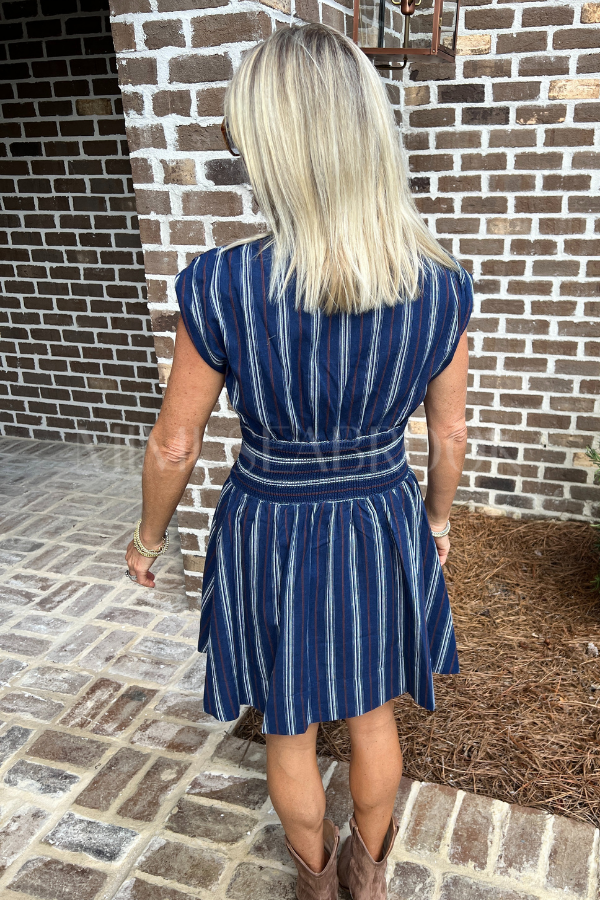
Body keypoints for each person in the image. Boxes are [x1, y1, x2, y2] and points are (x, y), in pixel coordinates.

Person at [125, 22, 472, 900]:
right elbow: (450, 437)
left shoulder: (221, 283)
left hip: (271, 518)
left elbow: (174, 441)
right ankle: (368, 878)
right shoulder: (439, 282)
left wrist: (148, 538)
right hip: (380, 514)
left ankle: (313, 882)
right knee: (372, 713)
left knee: (289, 721)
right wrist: (435, 522)